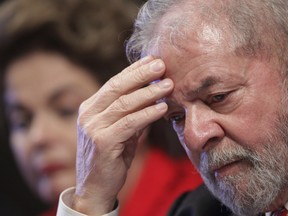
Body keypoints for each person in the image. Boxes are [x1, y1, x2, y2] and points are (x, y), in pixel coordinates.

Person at [54, 0, 288, 216]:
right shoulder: (194, 211)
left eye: (219, 97)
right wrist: (91, 201)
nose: (194, 137)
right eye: (176, 117)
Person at [0, 0, 203, 215]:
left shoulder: (200, 203)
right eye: (22, 121)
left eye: (65, 110)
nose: (37, 137)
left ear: (137, 103)